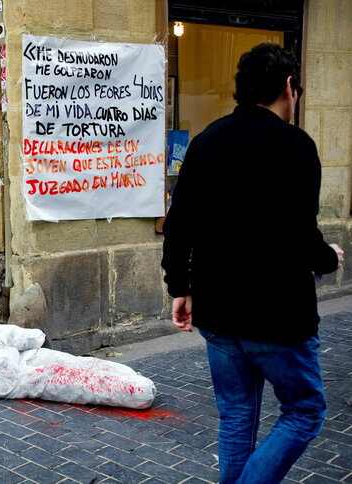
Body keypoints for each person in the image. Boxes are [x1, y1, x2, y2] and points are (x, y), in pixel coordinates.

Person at [162, 43, 344, 484]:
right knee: (304, 411)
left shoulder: (206, 141)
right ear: (288, 87)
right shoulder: (294, 145)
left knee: (237, 416)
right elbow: (300, 233)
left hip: (219, 310)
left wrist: (179, 287)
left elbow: (178, 224)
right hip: (277, 315)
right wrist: (329, 257)